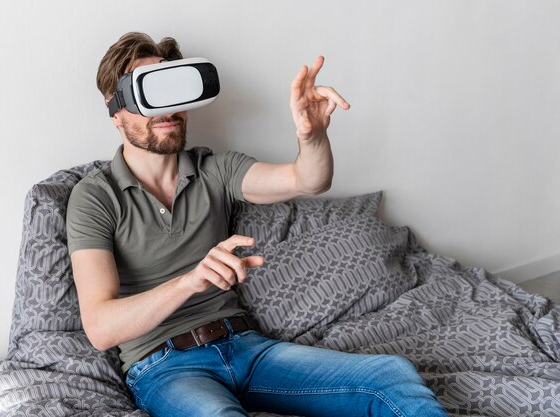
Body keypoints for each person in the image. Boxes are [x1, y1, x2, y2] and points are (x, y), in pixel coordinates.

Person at [66, 32, 447, 417]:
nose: (166, 110)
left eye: (173, 90)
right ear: (114, 110)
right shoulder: (95, 197)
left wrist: (311, 135)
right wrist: (189, 282)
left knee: (389, 374)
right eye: (148, 94)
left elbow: (308, 180)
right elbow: (100, 328)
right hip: (165, 366)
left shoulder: (213, 169)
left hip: (245, 345)